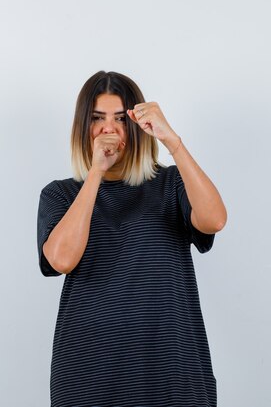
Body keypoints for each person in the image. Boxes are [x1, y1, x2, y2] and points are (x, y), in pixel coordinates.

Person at [36, 71, 227, 407]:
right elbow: (62, 259)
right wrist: (95, 173)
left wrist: (173, 143)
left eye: (120, 119)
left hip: (171, 374)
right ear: (84, 127)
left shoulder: (170, 185)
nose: (109, 129)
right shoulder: (61, 195)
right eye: (97, 119)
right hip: (88, 377)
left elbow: (215, 219)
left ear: (136, 126)